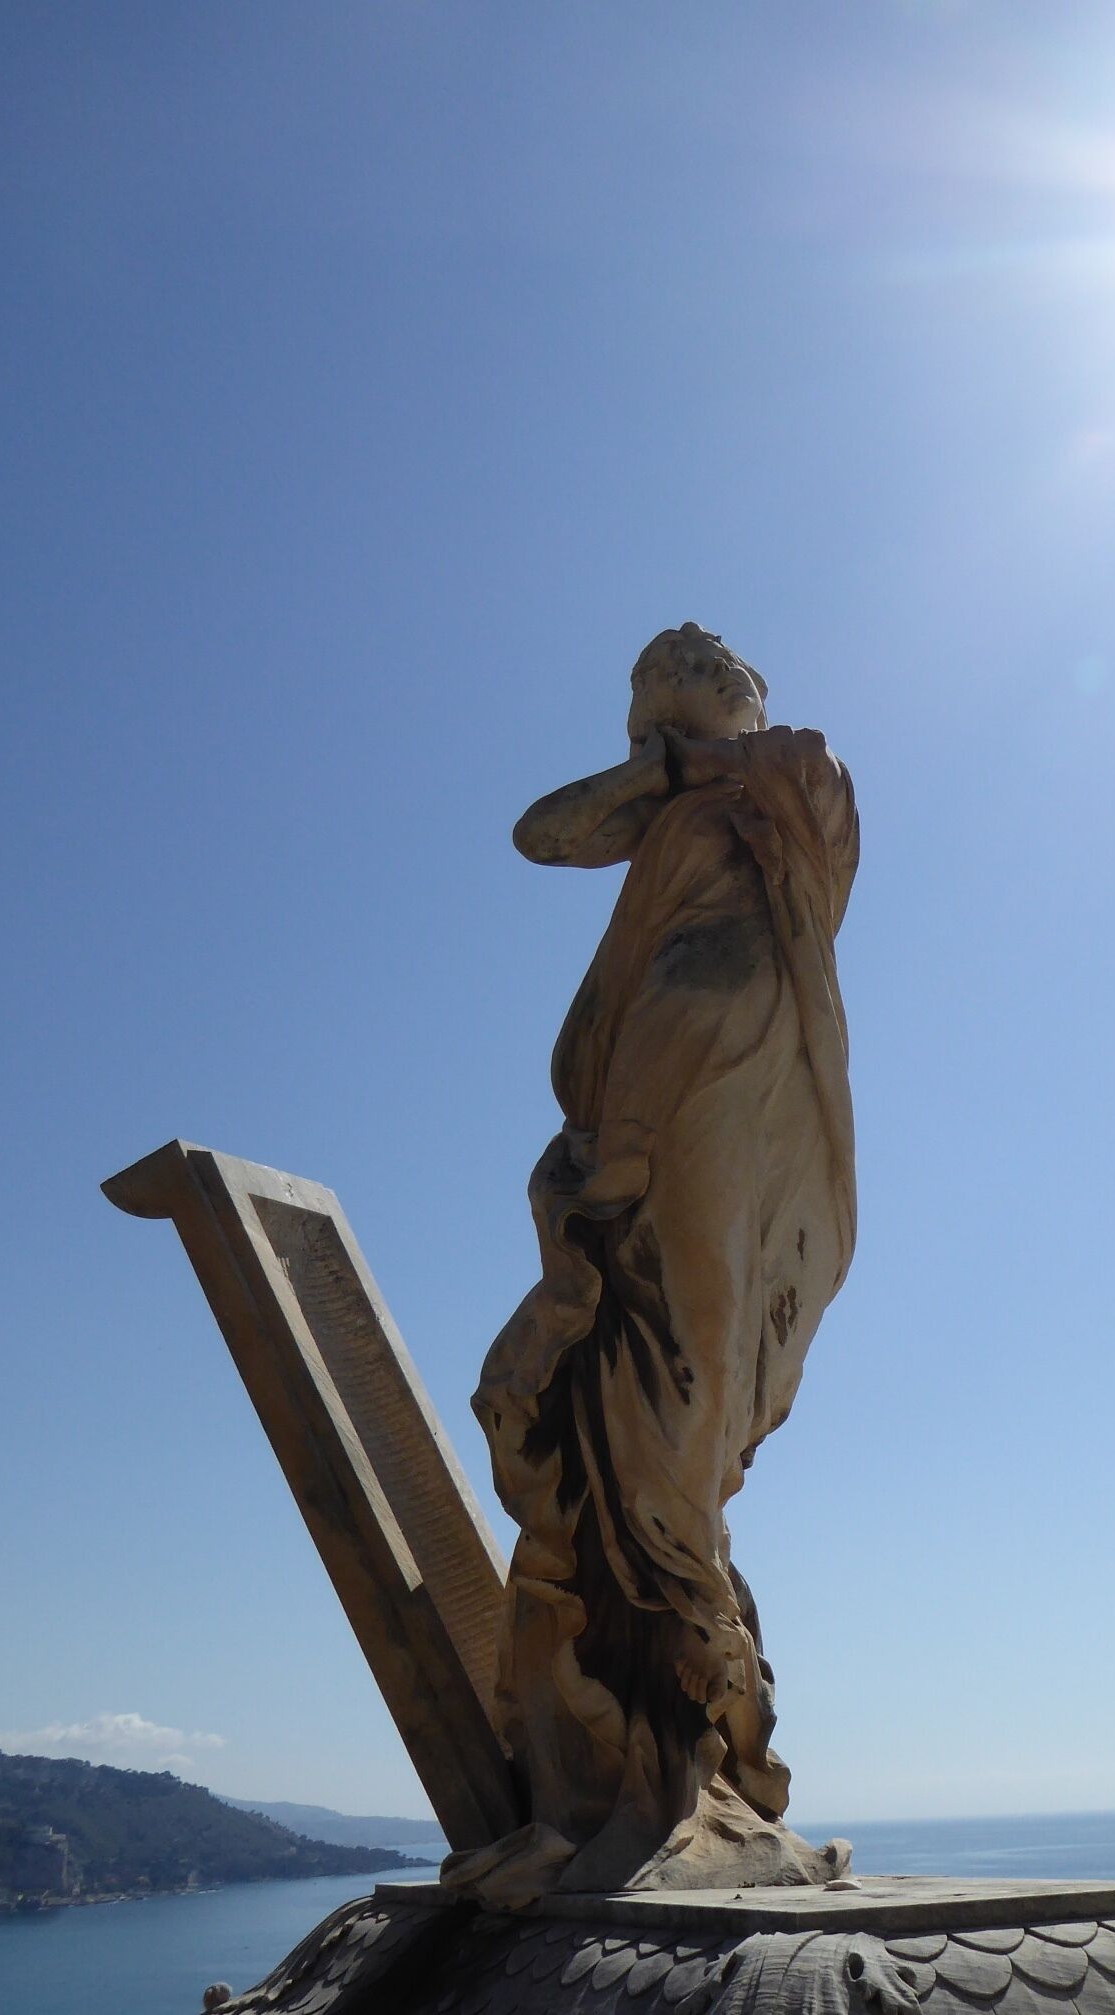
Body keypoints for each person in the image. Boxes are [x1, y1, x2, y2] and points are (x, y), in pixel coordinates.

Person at [473, 625, 858, 1879]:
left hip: (732, 1094)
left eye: (695, 703)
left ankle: (688, 1722)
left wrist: (720, 766)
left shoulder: (799, 782)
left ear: (747, 705)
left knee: (691, 1366)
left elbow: (825, 831)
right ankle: (641, 1722)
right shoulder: (672, 805)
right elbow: (543, 834)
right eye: (647, 714)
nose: (667, 730)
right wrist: (660, 774)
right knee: (617, 1365)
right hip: (637, 1100)